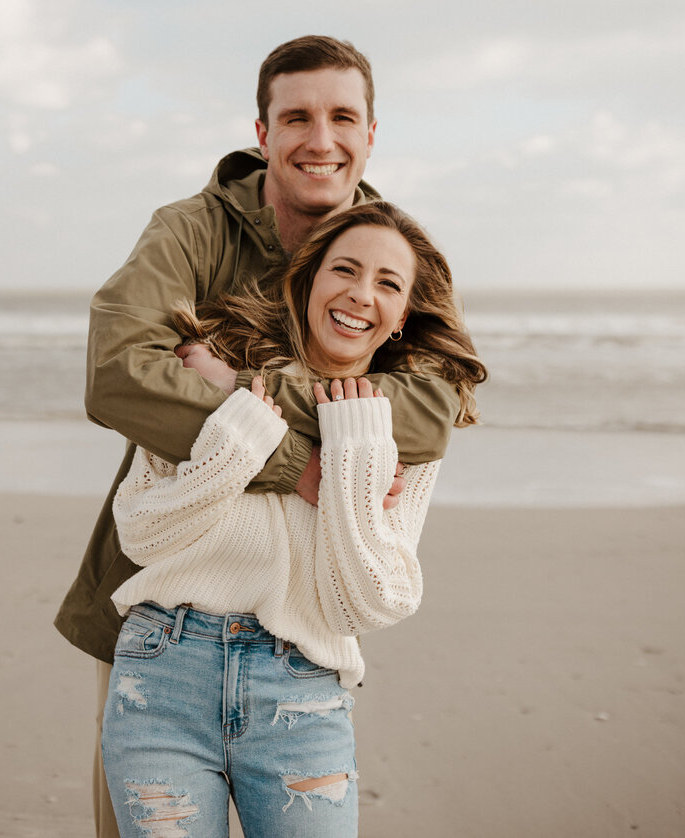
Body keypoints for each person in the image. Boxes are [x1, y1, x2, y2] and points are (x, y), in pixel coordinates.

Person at [54, 36, 461, 836]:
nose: (321, 139)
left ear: (370, 133)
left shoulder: (386, 251)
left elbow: (429, 409)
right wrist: (314, 457)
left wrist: (234, 394)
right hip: (165, 586)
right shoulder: (190, 231)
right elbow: (116, 373)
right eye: (297, 116)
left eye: (343, 116)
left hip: (299, 633)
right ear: (262, 131)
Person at [100, 202, 486, 837]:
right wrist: (240, 431)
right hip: (162, 678)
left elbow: (366, 604)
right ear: (308, 281)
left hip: (301, 699)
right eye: (345, 270)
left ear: (401, 319)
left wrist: (355, 454)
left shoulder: (400, 437)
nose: (361, 295)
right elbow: (144, 533)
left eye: (388, 283)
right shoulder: (207, 377)